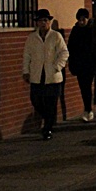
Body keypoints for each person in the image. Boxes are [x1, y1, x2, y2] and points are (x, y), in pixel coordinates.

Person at [21, 8, 69, 140]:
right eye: (40, 21)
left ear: (49, 22)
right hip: (37, 75)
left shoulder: (56, 36)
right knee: (36, 100)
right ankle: (48, 119)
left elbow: (64, 52)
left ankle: (47, 129)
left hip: (52, 76)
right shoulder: (32, 38)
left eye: (45, 21)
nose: (43, 23)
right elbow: (27, 55)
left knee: (51, 103)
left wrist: (57, 66)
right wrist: (26, 71)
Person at [67, 8, 95, 121]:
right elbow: (70, 48)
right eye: (80, 19)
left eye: (84, 19)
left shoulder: (92, 30)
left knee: (87, 86)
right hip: (80, 64)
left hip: (90, 63)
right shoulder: (75, 31)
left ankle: (89, 109)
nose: (82, 22)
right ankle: (88, 109)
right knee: (84, 88)